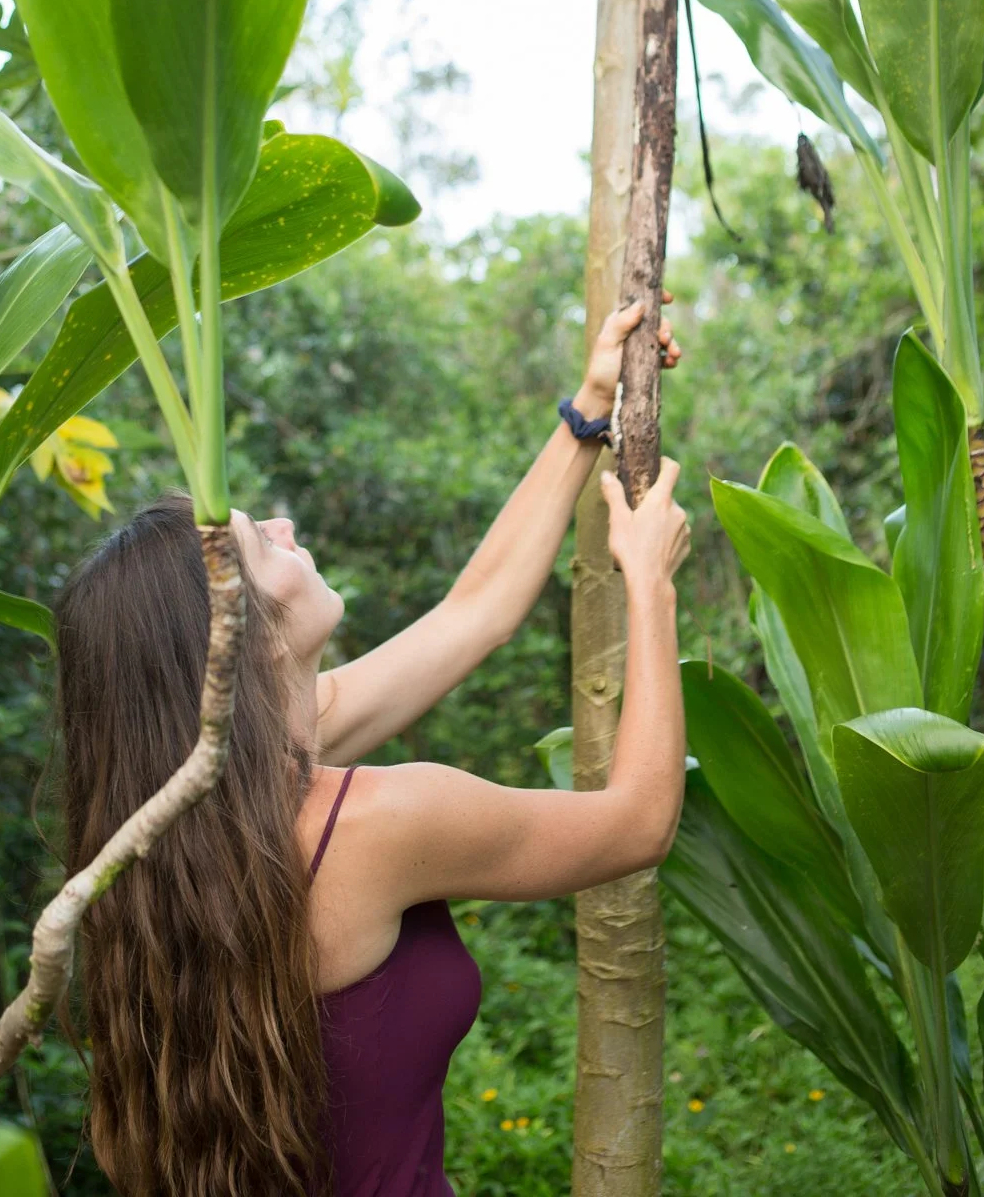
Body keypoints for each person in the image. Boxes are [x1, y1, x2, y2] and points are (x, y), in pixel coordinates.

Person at [55, 298, 691, 1197]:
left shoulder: (174, 831)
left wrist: (588, 412)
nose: (281, 527)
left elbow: (475, 617)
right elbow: (635, 824)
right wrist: (650, 586)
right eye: (256, 544)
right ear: (245, 637)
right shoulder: (376, 823)